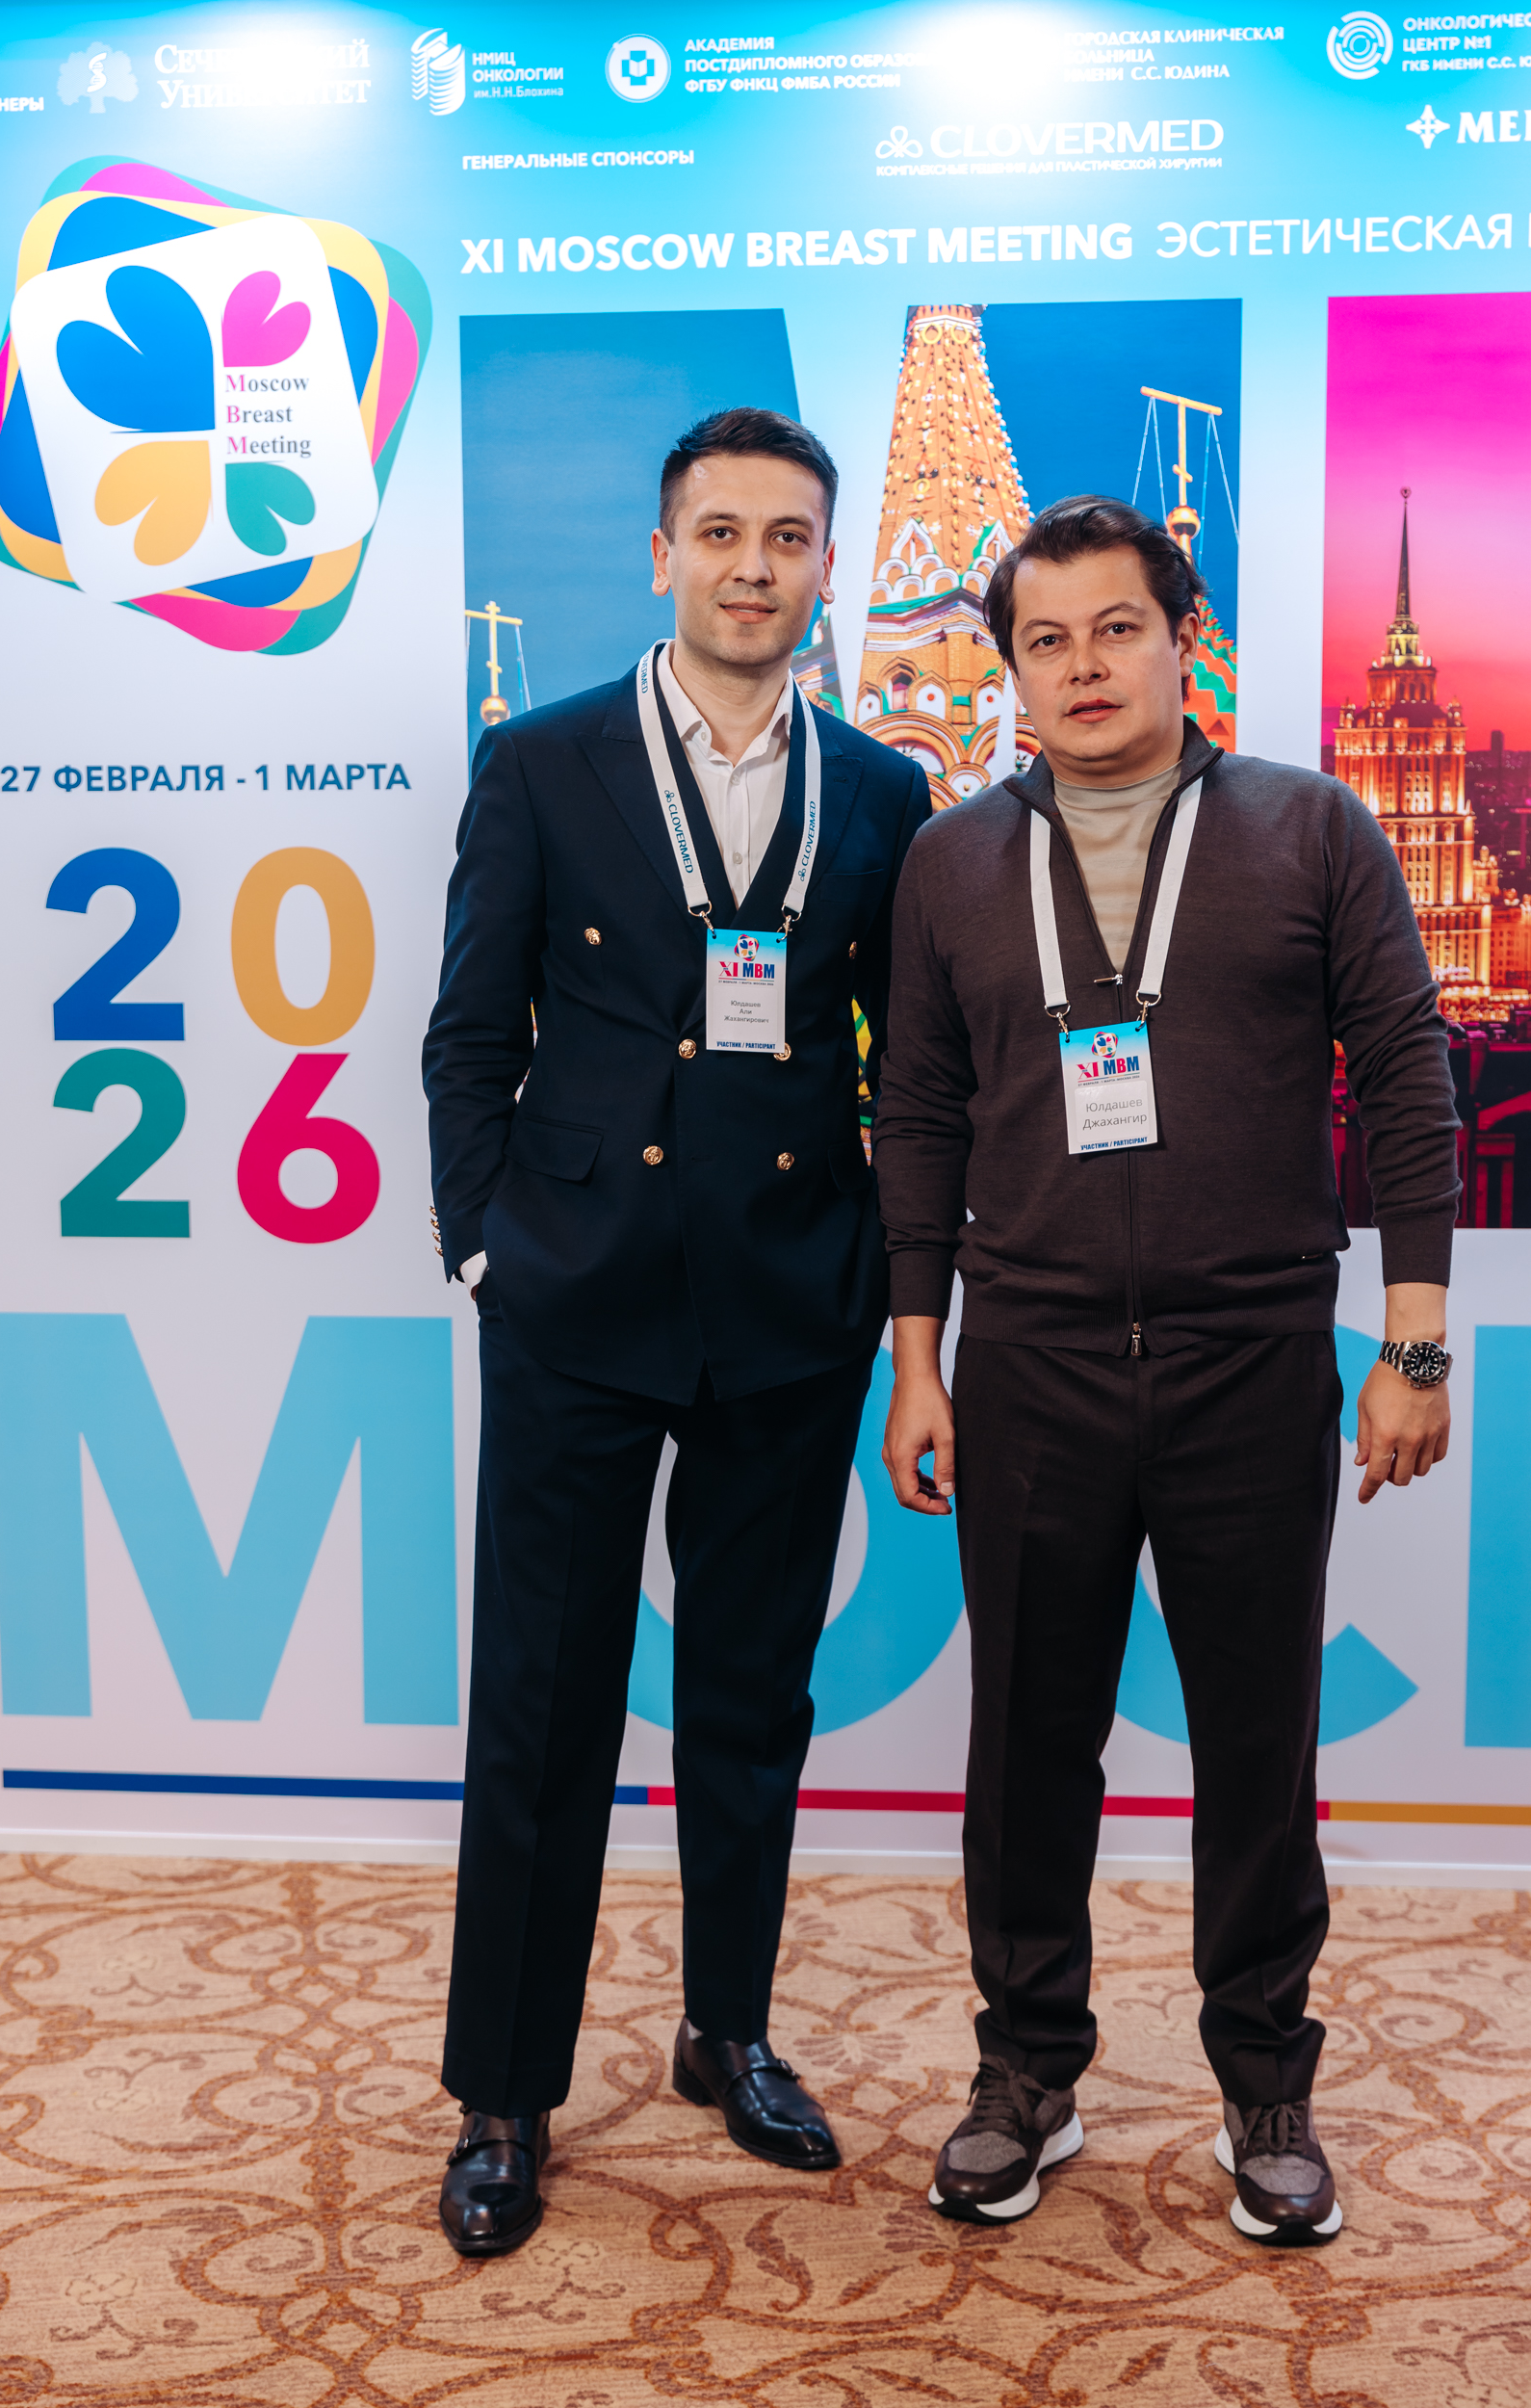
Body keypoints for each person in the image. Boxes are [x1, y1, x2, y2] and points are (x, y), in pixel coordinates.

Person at [872, 494, 1459, 2248]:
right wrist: (919, 1359)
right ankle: (1026, 2073)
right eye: (1044, 641)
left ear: (1182, 643)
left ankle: (1266, 2085)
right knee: (1025, 1743)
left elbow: (1408, 1078)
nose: (1083, 667)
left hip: (1250, 1359)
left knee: (1257, 1743)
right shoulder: (951, 864)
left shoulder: (1309, 828)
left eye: (1116, 629)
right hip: (1031, 1363)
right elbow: (919, 1114)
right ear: (1012, 671)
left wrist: (1415, 1342)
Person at [424, 407, 932, 2256]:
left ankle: (729, 2031)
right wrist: (484, 1251)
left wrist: (888, 1283)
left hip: (789, 1305)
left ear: (825, 569)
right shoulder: (540, 761)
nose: (752, 567)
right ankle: (504, 2092)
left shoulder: (880, 791)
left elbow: (907, 1064)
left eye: (787, 538)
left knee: (750, 1697)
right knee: (540, 1706)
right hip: (574, 1296)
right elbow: (469, 1034)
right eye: (720, 533)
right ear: (662, 556)